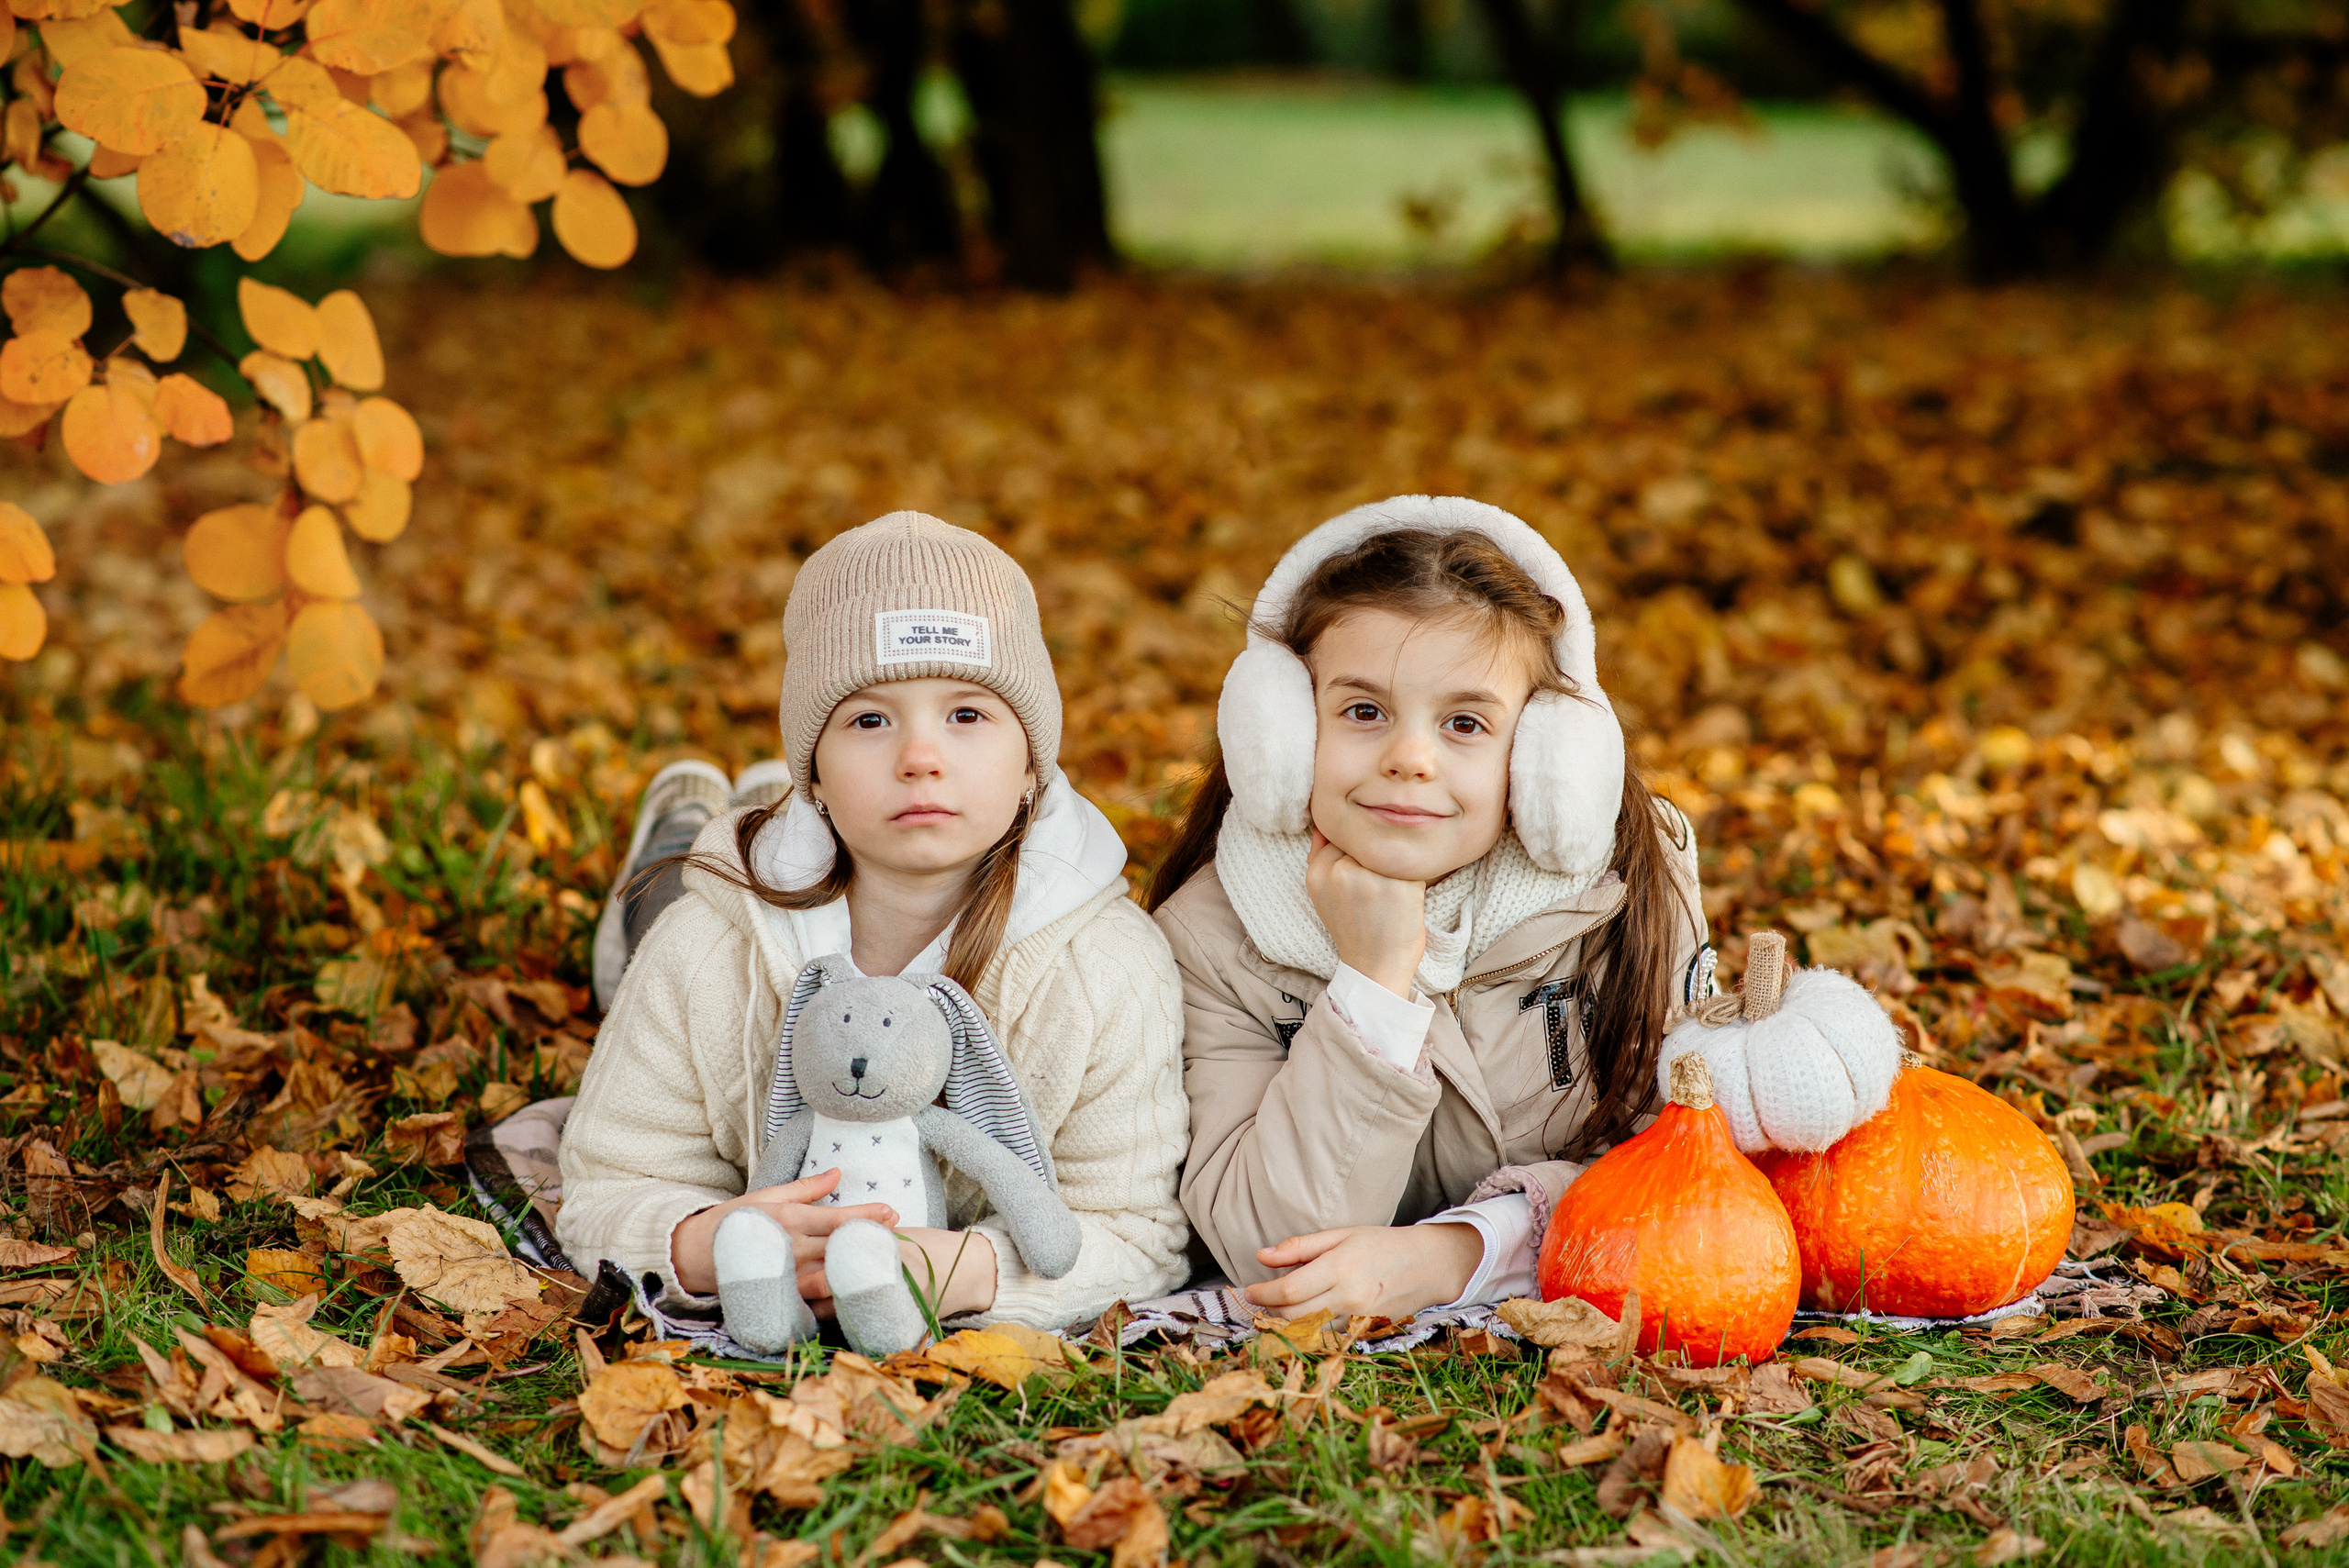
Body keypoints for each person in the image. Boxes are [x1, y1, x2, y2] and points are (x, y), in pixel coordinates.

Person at [1149, 495, 1892, 1321]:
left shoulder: (1624, 892)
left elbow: (1682, 1166)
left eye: (1465, 722)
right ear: (1279, 732)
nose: (1409, 759)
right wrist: (1371, 984)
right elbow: (1270, 1244)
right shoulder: (1214, 936)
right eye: (1363, 711)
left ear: (1549, 757)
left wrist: (1456, 1251)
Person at [555, 511, 1191, 1333]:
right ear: (813, 770)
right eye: (868, 720)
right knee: (664, 911)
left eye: (967, 715)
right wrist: (707, 1242)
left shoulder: (1110, 966)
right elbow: (611, 1179)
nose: (920, 757)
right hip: (712, 904)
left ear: (1033, 762)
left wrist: (963, 1270)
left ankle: (726, 812)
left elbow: (1139, 1231)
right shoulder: (709, 943)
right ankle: (681, 837)